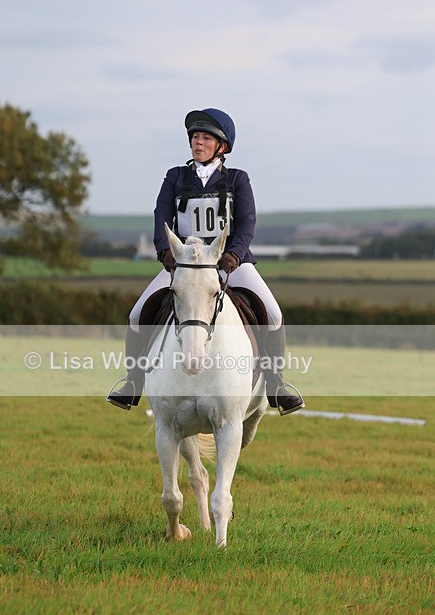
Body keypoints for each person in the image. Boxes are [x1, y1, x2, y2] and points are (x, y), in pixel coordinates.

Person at [107, 108, 305, 416]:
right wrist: (166, 254)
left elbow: (248, 221)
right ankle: (133, 382)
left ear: (222, 146)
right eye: (195, 137)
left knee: (274, 314)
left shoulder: (238, 179)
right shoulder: (175, 177)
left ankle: (276, 385)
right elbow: (162, 218)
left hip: (230, 263)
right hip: (184, 265)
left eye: (206, 138)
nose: (198, 143)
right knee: (136, 316)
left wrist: (234, 255)